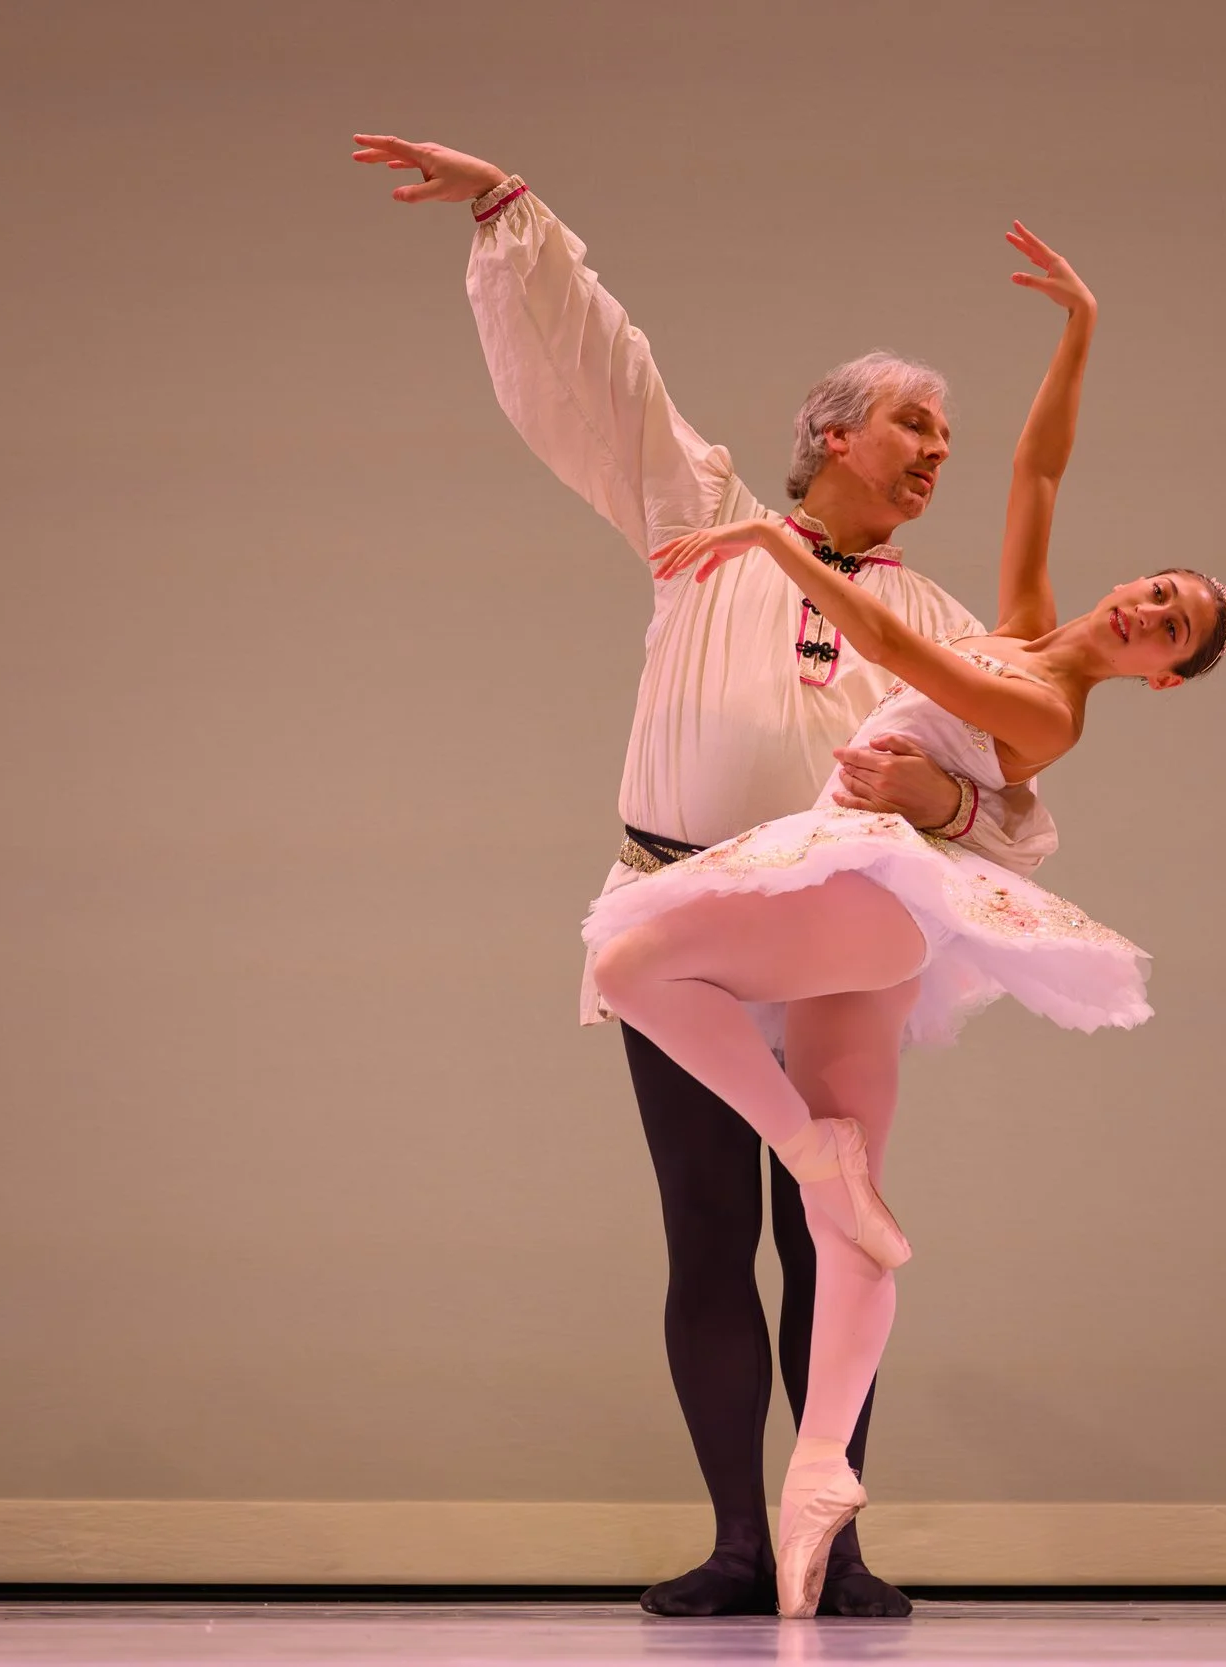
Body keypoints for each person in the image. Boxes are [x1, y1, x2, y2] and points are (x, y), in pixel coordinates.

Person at [355, 132, 1057, 1617]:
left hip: (839, 946)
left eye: (950, 437)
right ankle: (740, 1541)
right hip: (683, 927)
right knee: (707, 1230)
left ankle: (829, 1543)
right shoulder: (708, 523)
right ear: (835, 433)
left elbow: (1008, 799)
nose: (940, 452)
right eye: (917, 425)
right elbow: (609, 376)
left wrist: (941, 794)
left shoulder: (934, 616)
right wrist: (511, 212)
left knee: (836, 1234)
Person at [583, 226, 1226, 1616]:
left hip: (864, 903)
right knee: (809, 1221)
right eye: (1157, 587)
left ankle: (831, 1484)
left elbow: (890, 651)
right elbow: (1040, 470)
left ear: (1161, 677)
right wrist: (1081, 328)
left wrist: (769, 542)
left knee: (641, 970)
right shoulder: (1027, 622)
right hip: (845, 894)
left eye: (1169, 628)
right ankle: (786, 1516)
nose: (1146, 607)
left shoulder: (1047, 703)